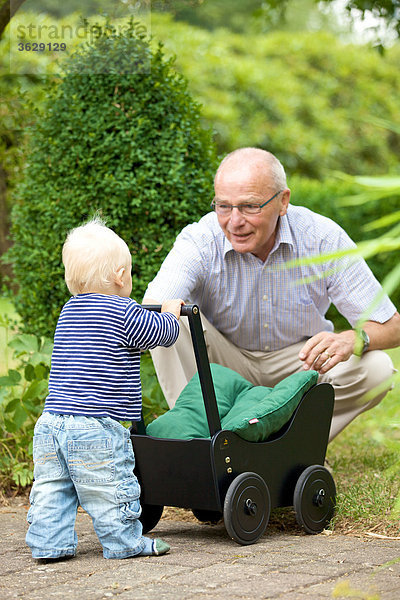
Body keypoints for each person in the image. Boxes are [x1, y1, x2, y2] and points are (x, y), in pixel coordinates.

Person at [144, 147, 400, 441]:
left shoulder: (323, 238)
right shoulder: (202, 238)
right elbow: (154, 303)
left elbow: (392, 326)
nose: (234, 221)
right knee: (166, 317)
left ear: (283, 201)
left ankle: (296, 447)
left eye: (250, 206)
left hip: (302, 363)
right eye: (224, 206)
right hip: (223, 364)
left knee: (377, 369)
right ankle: (200, 442)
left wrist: (351, 338)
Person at [26, 217, 184, 560]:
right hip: (96, 427)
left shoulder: (68, 311)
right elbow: (161, 335)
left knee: (53, 488)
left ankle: (47, 544)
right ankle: (125, 542)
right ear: (121, 276)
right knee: (110, 488)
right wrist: (170, 312)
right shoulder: (124, 310)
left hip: (51, 423)